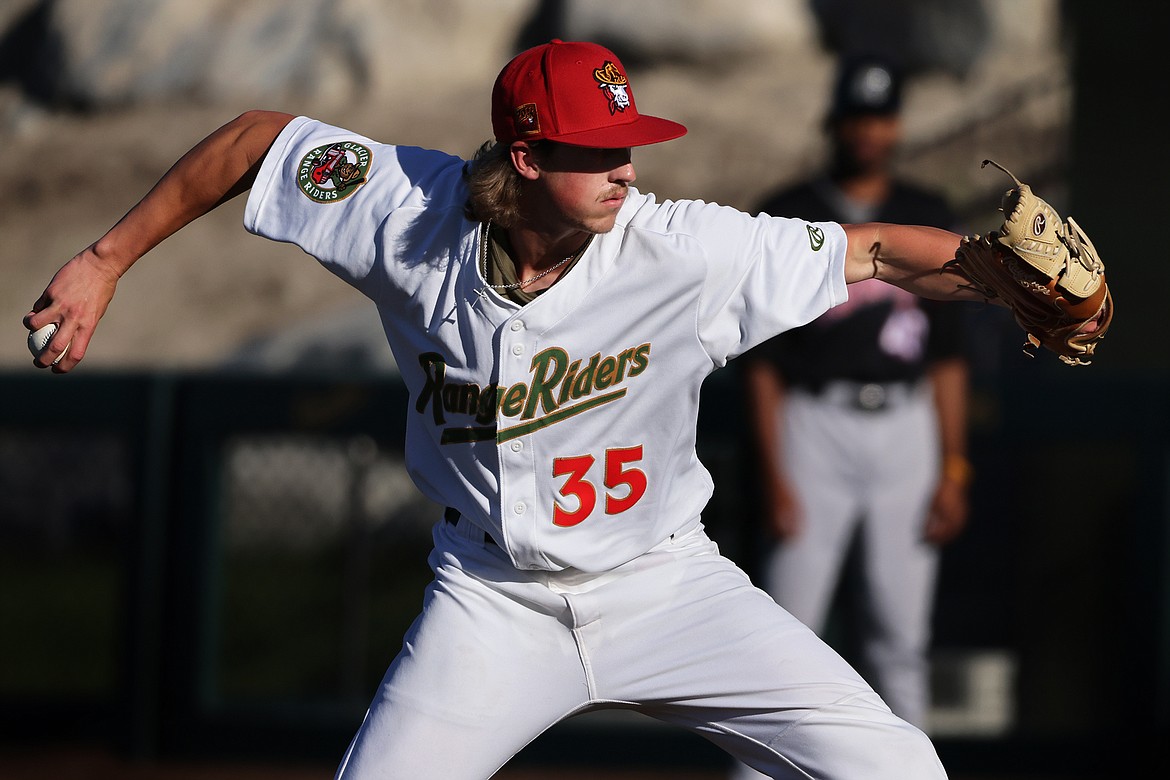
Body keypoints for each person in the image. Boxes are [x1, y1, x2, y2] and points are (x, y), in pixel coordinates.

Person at [27, 39, 992, 780]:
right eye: (601, 148)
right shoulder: (407, 210)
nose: (627, 167)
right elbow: (252, 145)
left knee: (899, 765)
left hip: (666, 585)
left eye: (630, 145)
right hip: (490, 603)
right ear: (526, 155)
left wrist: (998, 277)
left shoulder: (682, 249)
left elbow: (870, 252)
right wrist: (106, 262)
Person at [733, 56, 970, 771]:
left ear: (895, 125)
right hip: (813, 423)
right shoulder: (788, 207)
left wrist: (954, 467)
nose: (868, 131)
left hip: (908, 427)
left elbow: (948, 358)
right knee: (784, 632)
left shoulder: (928, 212)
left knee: (901, 636)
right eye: (856, 117)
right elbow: (762, 364)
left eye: (880, 116)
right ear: (833, 121)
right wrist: (773, 473)